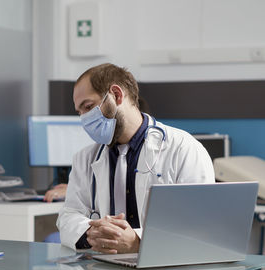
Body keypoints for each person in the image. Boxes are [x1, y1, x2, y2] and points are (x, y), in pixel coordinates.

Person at [56, 63, 214, 254]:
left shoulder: (184, 148)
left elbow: (199, 224)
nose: (84, 119)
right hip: (104, 269)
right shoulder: (85, 158)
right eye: (79, 112)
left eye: (88, 107)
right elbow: (68, 215)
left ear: (116, 95)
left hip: (166, 269)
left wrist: (137, 242)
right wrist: (91, 233)